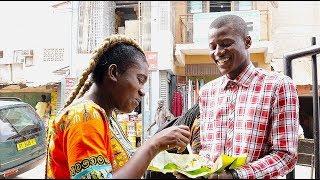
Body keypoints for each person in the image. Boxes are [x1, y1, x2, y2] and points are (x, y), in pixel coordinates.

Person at [45, 34, 191, 179]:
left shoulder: (107, 117)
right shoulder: (85, 115)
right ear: (113, 73)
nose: (142, 91)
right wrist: (154, 144)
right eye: (140, 79)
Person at [176, 15, 299, 179]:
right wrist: (194, 172)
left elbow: (285, 155)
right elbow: (207, 153)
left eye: (226, 44)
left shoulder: (278, 85)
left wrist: (236, 176)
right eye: (213, 46)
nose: (218, 52)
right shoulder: (207, 92)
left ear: (247, 42)